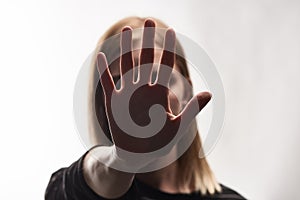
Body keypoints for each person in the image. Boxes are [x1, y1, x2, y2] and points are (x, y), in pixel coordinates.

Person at [45, 17, 246, 199]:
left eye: (158, 76)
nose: (142, 97)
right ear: (103, 106)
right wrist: (124, 160)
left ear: (186, 93)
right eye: (122, 81)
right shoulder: (73, 191)